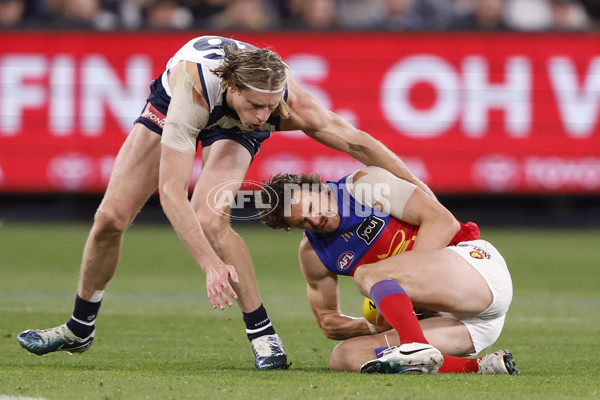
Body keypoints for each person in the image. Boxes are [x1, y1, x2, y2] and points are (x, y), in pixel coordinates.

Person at [16, 35, 433, 370]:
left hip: (228, 125)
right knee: (109, 218)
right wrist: (210, 266)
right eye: (255, 105)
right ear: (232, 88)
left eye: (270, 107)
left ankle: (263, 335)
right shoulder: (191, 92)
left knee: (212, 219)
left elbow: (358, 143)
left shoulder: (281, 101)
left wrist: (421, 189)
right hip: (174, 109)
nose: (261, 116)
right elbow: (170, 192)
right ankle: (80, 327)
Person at [259, 166, 518, 374]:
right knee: (345, 357)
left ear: (318, 187)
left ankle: (412, 344)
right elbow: (328, 322)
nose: (315, 220)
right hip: (469, 328)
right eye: (303, 221)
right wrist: (379, 323)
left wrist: (405, 293)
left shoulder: (363, 186)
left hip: (477, 275)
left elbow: (442, 221)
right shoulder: (313, 253)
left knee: (367, 274)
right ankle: (479, 367)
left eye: (311, 207)